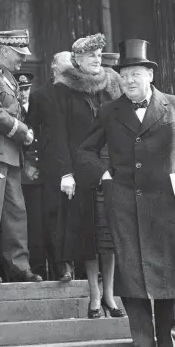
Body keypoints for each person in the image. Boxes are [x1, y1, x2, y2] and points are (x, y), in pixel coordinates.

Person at [75, 39, 175, 347]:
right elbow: (84, 152)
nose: (129, 81)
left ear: (150, 75)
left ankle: (172, 346)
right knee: (131, 274)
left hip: (168, 206)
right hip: (123, 205)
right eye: (124, 76)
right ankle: (142, 341)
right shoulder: (109, 111)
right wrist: (105, 176)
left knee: (169, 276)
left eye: (136, 74)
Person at [52, 34, 124, 319]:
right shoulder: (64, 90)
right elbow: (58, 135)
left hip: (111, 168)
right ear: (77, 60)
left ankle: (110, 293)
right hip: (81, 172)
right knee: (88, 234)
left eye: (99, 54)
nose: (96, 59)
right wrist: (66, 172)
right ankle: (94, 293)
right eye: (90, 55)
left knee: (110, 234)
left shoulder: (112, 84)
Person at [0, 29, 42, 283]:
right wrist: (23, 131)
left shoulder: (10, 79)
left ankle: (18, 266)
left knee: (16, 214)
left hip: (13, 156)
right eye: (18, 54)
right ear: (4, 50)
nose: (22, 59)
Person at [26, 52, 75, 280]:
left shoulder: (81, 93)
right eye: (67, 67)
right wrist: (32, 161)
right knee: (55, 217)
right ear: (54, 67)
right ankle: (61, 267)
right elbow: (31, 131)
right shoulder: (40, 96)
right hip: (52, 166)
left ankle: (84, 269)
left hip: (80, 163)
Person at [15, 72, 46, 279]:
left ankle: (38, 268)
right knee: (18, 224)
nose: (23, 93)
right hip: (17, 175)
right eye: (20, 89)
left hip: (38, 177)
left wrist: (38, 165)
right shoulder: (13, 114)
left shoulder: (37, 110)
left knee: (38, 223)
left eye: (26, 89)